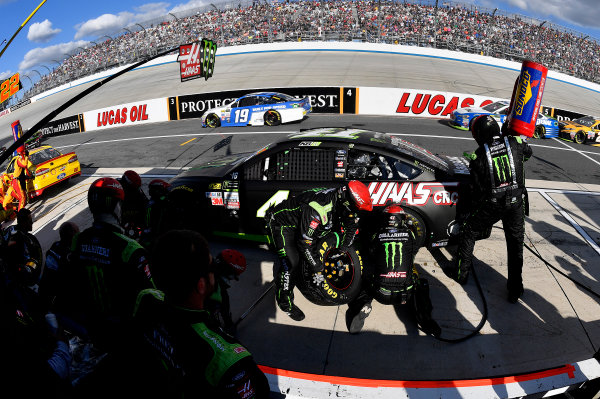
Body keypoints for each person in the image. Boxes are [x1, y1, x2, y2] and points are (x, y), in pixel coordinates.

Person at [133, 230, 271, 398]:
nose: (215, 272)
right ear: (200, 285)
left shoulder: (146, 299)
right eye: (212, 267)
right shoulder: (227, 361)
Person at [55, 177, 154, 394]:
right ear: (117, 205)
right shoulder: (131, 250)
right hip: (124, 340)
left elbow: (70, 283)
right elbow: (153, 300)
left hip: (90, 333)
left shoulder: (78, 241)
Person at [265, 181, 373, 321]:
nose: (358, 211)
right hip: (284, 224)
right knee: (291, 264)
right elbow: (304, 242)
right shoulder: (319, 209)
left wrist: (343, 248)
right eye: (357, 207)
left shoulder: (342, 200)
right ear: (347, 202)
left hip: (303, 221)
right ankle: (286, 303)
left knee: (317, 244)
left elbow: (351, 225)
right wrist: (318, 267)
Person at [452, 115, 532, 303]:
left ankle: (461, 275)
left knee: (469, 230)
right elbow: (528, 154)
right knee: (515, 246)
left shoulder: (480, 155)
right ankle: (515, 290)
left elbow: (476, 191)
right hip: (516, 203)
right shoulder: (515, 141)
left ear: (479, 134)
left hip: (493, 205)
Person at [346, 205, 441, 336]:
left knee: (362, 276)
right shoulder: (411, 235)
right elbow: (413, 252)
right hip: (405, 294)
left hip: (381, 294)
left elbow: (371, 253)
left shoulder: (377, 235)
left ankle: (362, 304)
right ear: (401, 219)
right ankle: (425, 317)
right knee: (421, 282)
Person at [39, 221, 80, 307]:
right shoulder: (69, 255)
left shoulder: (55, 245)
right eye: (77, 233)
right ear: (72, 236)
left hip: (44, 290)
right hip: (56, 299)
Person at [2, 208, 43, 287]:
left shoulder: (9, 229)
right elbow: (36, 260)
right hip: (19, 280)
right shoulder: (27, 239)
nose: (32, 222)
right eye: (29, 220)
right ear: (24, 222)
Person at [141, 178, 170, 249]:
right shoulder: (154, 204)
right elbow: (148, 222)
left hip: (158, 234)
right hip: (156, 236)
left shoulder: (155, 202)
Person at [118, 170, 149, 237]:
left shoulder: (137, 190)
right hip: (123, 219)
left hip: (134, 218)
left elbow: (145, 203)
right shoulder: (118, 189)